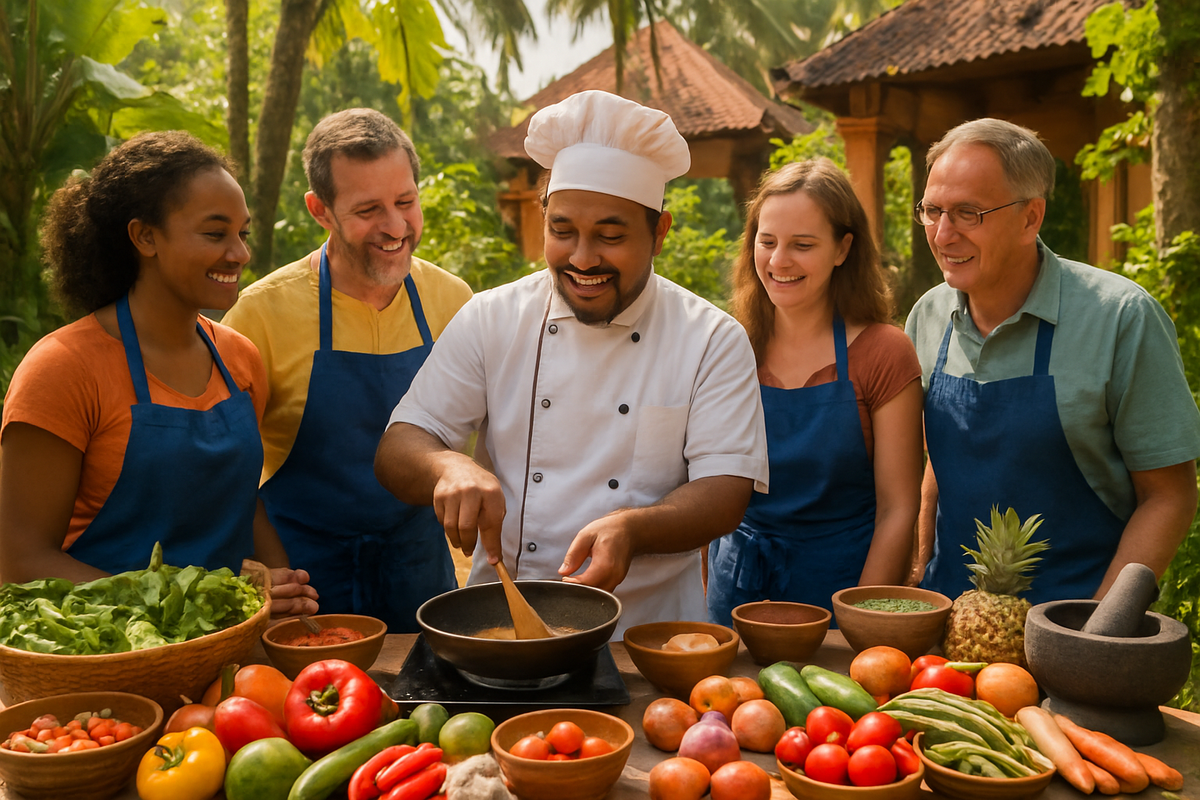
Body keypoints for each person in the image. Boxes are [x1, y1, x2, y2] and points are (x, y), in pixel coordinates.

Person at [375, 90, 768, 635]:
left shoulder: (710, 338)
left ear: (660, 233)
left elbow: (725, 491)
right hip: (502, 628)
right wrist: (449, 465)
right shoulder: (493, 318)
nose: (583, 259)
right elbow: (399, 445)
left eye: (610, 236)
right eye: (562, 232)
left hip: (648, 638)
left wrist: (633, 528)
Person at [0, 131, 317, 620]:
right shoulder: (62, 370)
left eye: (243, 233)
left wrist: (284, 596)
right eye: (215, 234)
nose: (239, 253)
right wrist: (188, 612)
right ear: (144, 236)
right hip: (98, 654)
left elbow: (241, 500)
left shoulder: (240, 360)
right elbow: (20, 560)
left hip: (222, 646)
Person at [906, 118, 1200, 603]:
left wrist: (1099, 627)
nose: (942, 234)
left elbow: (1169, 496)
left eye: (967, 213)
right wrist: (917, 567)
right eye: (932, 211)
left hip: (1078, 616)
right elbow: (943, 456)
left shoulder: (1119, 318)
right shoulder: (928, 316)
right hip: (951, 620)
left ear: (1030, 218)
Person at [222, 109, 473, 632]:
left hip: (420, 574)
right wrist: (263, 569)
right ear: (321, 210)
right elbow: (223, 468)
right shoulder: (259, 315)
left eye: (406, 201)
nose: (396, 226)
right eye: (368, 210)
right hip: (305, 583)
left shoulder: (454, 302)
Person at [706, 160, 924, 625]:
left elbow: (898, 508)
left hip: (841, 591)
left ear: (843, 248)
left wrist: (861, 623)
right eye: (767, 242)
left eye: (802, 245)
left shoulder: (884, 352)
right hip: (735, 593)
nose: (779, 261)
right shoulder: (727, 346)